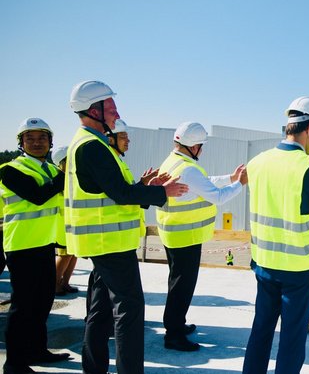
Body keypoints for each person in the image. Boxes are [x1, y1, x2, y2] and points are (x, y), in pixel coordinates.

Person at [65, 80, 188, 374]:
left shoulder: (92, 145)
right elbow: (120, 194)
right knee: (129, 311)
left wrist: (144, 186)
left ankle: (94, 369)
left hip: (102, 243)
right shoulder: (93, 147)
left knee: (101, 311)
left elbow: (115, 191)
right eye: (111, 106)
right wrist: (161, 194)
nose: (116, 111)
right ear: (94, 110)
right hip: (109, 244)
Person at [243, 96, 309, 374]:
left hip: (264, 265)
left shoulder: (257, 163)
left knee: (260, 331)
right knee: (292, 339)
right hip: (298, 271)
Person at [156, 121, 247, 351]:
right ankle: (174, 335)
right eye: (200, 145)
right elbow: (216, 196)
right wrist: (239, 184)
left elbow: (204, 184)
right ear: (192, 146)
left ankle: (176, 324)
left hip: (174, 234)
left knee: (177, 283)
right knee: (182, 287)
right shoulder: (188, 169)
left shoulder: (174, 162)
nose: (202, 150)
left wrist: (230, 177)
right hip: (186, 236)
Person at [0, 118, 71, 374]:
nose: (37, 142)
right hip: (21, 246)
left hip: (44, 245)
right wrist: (65, 177)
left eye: (42, 138)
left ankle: (37, 349)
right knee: (22, 306)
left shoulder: (50, 171)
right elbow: (38, 196)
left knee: (43, 301)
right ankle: (15, 363)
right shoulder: (9, 170)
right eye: (30, 138)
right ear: (21, 143)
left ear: (50, 142)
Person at [51, 145, 78, 297]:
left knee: (74, 253)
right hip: (62, 223)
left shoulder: (72, 177)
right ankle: (54, 284)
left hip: (73, 221)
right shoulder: (59, 179)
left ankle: (65, 282)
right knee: (65, 254)